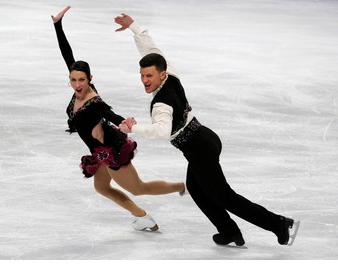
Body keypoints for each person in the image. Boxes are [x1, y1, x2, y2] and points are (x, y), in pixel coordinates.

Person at [114, 13, 300, 246]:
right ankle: (229, 231)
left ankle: (279, 224)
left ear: (161, 74)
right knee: (197, 188)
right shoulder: (169, 73)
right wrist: (134, 27)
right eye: (142, 75)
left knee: (226, 197)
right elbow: (151, 50)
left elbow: (161, 131)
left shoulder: (161, 104)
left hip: (200, 149)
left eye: (149, 75)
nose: (144, 80)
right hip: (204, 139)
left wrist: (133, 128)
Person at [51, 6, 185, 232]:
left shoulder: (94, 102)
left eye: (82, 80)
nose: (77, 85)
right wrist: (58, 25)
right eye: (73, 80)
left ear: (90, 79)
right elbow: (68, 55)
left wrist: (129, 124)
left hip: (110, 150)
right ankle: (142, 216)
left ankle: (181, 186)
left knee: (139, 188)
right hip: (98, 152)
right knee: (102, 187)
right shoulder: (79, 90)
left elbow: (111, 115)